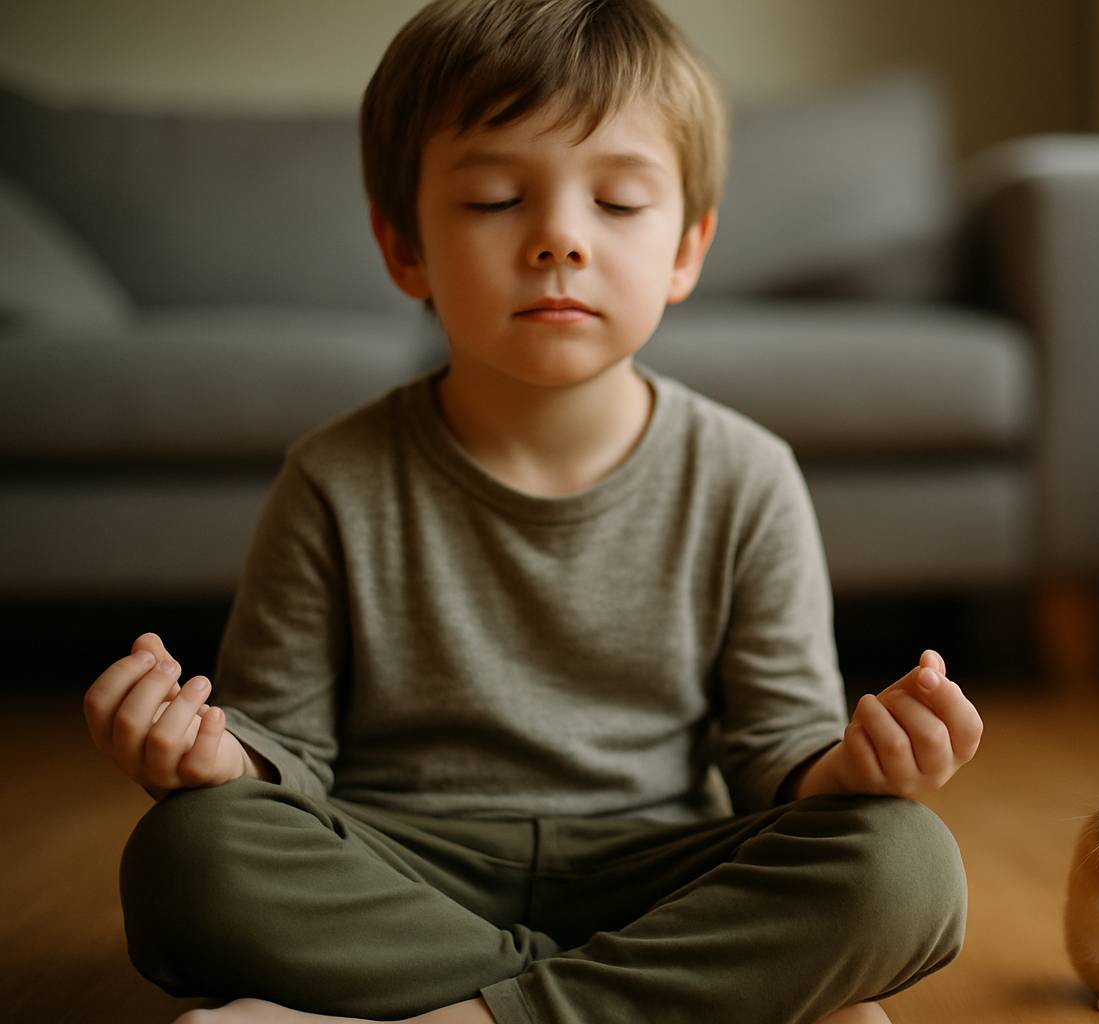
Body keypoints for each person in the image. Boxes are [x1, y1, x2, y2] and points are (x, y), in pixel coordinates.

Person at [82, 2, 983, 1022]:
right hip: (407, 866)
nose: (560, 238)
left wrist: (853, 767)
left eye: (619, 202)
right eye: (497, 199)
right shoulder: (332, 478)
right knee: (188, 852)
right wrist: (214, 755)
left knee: (905, 863)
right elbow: (285, 753)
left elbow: (777, 750)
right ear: (404, 246)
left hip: (658, 870)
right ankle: (674, 1000)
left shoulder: (748, 474)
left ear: (687, 249)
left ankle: (463, 1012)